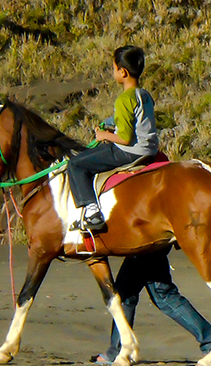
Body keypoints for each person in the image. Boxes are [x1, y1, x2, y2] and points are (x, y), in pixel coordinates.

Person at [68, 45, 159, 233]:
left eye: (113, 68)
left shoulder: (124, 99)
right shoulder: (144, 95)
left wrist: (103, 135)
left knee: (76, 165)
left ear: (123, 72)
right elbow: (134, 118)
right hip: (150, 149)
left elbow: (125, 139)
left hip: (130, 151)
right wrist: (110, 122)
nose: (113, 72)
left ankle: (92, 212)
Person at [94, 249, 211, 366]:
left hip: (145, 242)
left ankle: (118, 351)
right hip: (150, 243)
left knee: (158, 296)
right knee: (135, 294)